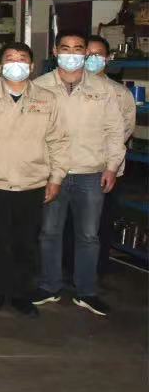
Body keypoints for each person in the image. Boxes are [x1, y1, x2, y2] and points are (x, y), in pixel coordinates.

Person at [0, 41, 68, 317]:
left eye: (22, 58)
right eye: (10, 58)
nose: (16, 63)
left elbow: (59, 141)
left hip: (31, 181)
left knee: (26, 242)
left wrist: (56, 178)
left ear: (32, 66)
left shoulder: (47, 99)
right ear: (0, 66)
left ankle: (21, 293)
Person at [29, 30, 125, 317]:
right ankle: (49, 285)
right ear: (55, 52)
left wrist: (112, 167)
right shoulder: (40, 86)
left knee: (88, 235)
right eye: (65, 48)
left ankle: (86, 291)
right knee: (49, 232)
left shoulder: (103, 89)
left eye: (77, 48)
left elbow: (115, 131)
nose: (71, 54)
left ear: (85, 53)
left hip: (90, 173)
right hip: (51, 174)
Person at [86, 35, 137, 275]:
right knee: (72, 225)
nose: (92, 59)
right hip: (75, 168)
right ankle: (71, 269)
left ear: (107, 59)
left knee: (100, 223)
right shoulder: (69, 89)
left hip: (107, 169)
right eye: (87, 54)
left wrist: (108, 162)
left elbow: (125, 130)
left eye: (98, 54)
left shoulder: (120, 93)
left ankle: (97, 270)